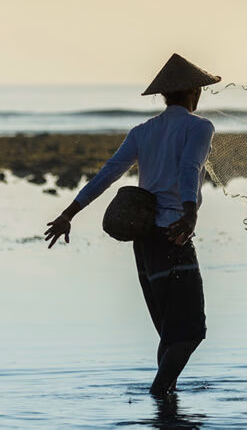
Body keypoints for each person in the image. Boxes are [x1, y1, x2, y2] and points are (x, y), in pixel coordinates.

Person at [43, 53, 221, 396]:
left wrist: (69, 213)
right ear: (193, 93)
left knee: (170, 333)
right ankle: (158, 392)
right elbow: (189, 168)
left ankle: (165, 402)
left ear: (165, 95)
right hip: (173, 234)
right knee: (190, 332)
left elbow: (108, 173)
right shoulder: (200, 127)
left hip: (145, 241)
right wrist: (190, 213)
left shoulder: (142, 131)